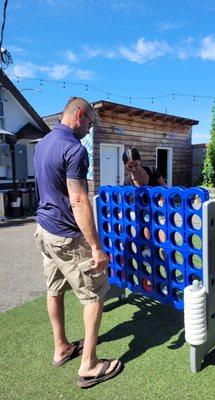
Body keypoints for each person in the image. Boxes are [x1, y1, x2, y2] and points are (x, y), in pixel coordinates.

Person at [33, 97, 122, 388]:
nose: (89, 130)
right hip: (67, 237)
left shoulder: (43, 143)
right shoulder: (74, 149)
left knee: (54, 288)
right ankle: (89, 364)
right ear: (80, 115)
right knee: (96, 293)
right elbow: (79, 199)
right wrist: (96, 247)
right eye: (89, 124)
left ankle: (61, 347)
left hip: (44, 232)